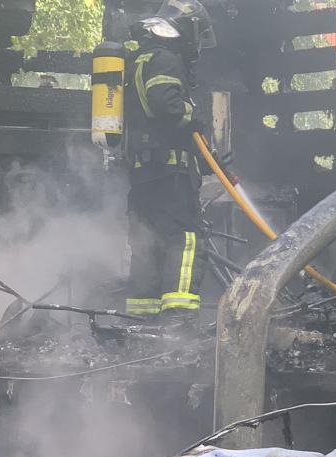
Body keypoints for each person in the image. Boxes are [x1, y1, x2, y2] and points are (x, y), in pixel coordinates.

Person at [123, 0, 215, 320]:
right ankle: (179, 315)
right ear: (185, 29)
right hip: (170, 173)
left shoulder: (136, 59)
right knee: (185, 238)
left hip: (143, 172)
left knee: (147, 240)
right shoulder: (166, 58)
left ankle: (142, 318)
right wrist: (196, 116)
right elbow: (167, 106)